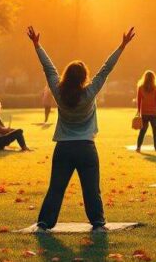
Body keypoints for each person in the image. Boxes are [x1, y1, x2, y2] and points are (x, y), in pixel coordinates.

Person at [28, 24, 135, 232]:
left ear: (67, 76)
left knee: (56, 188)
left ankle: (44, 223)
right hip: (86, 148)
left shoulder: (59, 93)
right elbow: (106, 69)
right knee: (91, 189)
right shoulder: (89, 93)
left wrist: (37, 45)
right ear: (84, 77)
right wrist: (122, 46)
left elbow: (49, 69)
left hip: (64, 148)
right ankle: (97, 223)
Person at [135, 70, 156, 153]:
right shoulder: (155, 88)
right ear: (153, 78)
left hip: (144, 113)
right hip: (154, 113)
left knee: (142, 131)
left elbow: (139, 100)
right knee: (155, 131)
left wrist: (138, 111)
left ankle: (138, 147)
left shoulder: (140, 88)